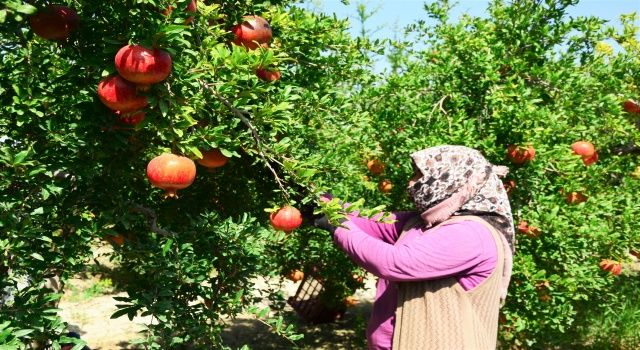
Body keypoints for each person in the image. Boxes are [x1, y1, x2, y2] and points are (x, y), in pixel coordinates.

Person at [313, 145, 515, 350]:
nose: (410, 182)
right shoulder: (424, 223)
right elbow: (372, 222)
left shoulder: (471, 234)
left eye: (419, 174)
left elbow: (393, 263)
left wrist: (336, 224)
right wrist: (324, 203)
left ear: (450, 176)